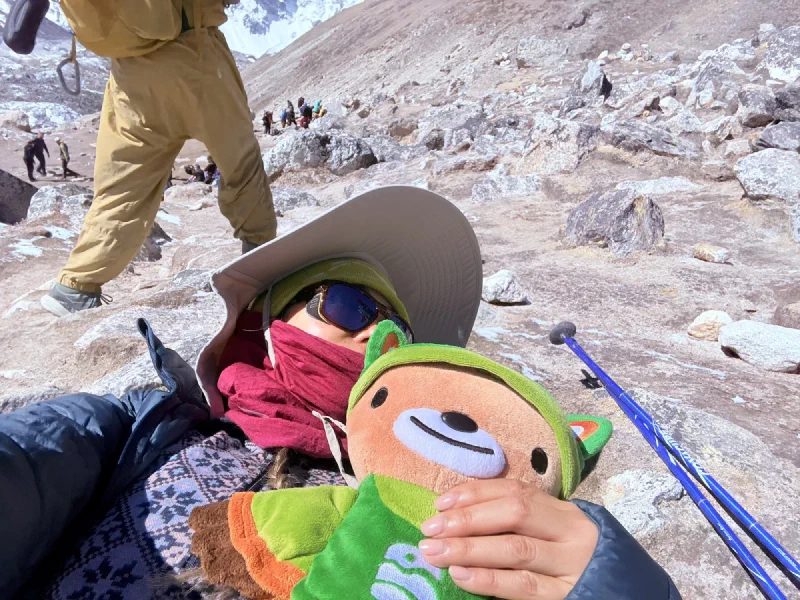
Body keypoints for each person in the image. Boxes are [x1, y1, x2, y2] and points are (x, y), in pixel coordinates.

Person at [7, 188, 679, 598]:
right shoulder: (141, 427)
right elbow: (28, 463)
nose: (375, 336)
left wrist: (607, 581)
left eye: (399, 332)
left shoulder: (443, 499)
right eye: (350, 306)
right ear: (262, 325)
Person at [40, 1, 277, 318]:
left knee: (123, 189)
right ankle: (261, 260)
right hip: (196, 59)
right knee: (241, 163)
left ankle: (77, 284)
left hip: (131, 76)